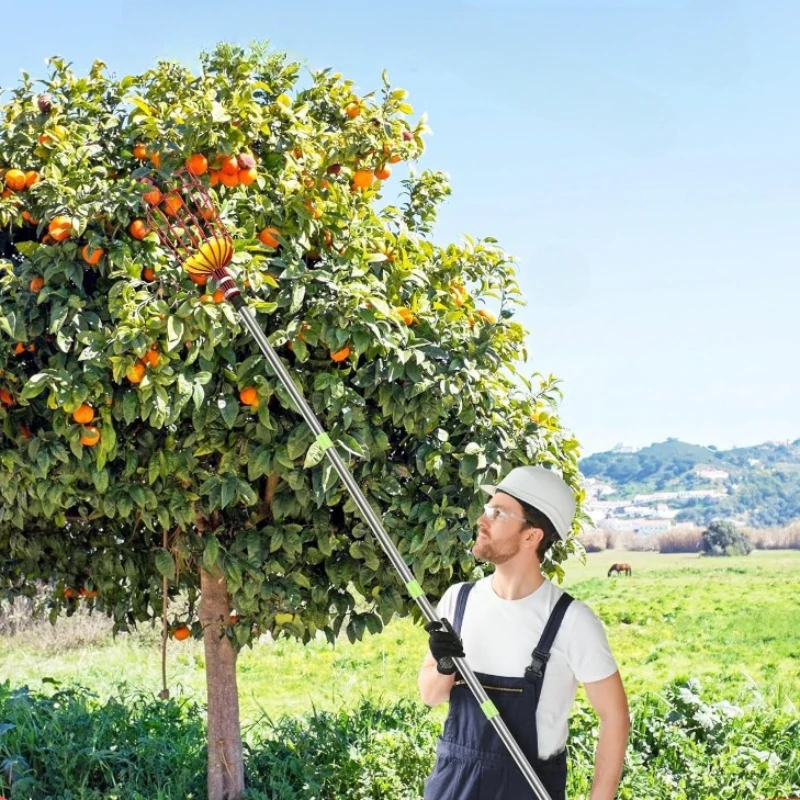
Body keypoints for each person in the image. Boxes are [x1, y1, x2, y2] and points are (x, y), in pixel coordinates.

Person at [419, 466, 629, 800]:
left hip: (527, 787)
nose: (481, 521)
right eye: (488, 509)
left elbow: (615, 717)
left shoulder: (571, 622)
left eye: (499, 513)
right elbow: (430, 696)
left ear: (532, 536)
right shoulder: (458, 600)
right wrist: (445, 666)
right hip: (452, 785)